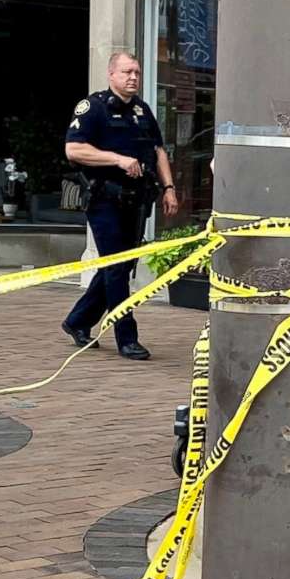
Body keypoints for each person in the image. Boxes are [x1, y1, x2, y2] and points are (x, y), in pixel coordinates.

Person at [62, 51, 176, 360]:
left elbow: (158, 150)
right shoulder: (93, 108)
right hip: (104, 200)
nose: (133, 77)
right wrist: (117, 159)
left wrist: (169, 188)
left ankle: (77, 321)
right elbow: (73, 149)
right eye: (127, 72)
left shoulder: (143, 110)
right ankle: (126, 336)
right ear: (111, 74)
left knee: (122, 265)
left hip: (136, 201)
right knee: (116, 266)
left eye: (137, 72)